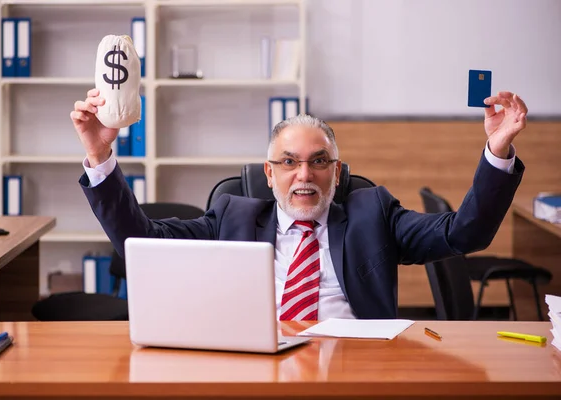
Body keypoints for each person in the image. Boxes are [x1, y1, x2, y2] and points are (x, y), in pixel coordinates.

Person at [71, 89, 528, 320]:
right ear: (269, 173)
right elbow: (140, 239)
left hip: (354, 370)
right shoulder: (233, 215)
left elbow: (463, 233)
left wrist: (499, 151)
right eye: (288, 163)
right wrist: (98, 153)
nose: (304, 175)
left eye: (318, 162)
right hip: (256, 371)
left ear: (337, 171)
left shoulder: (374, 213)